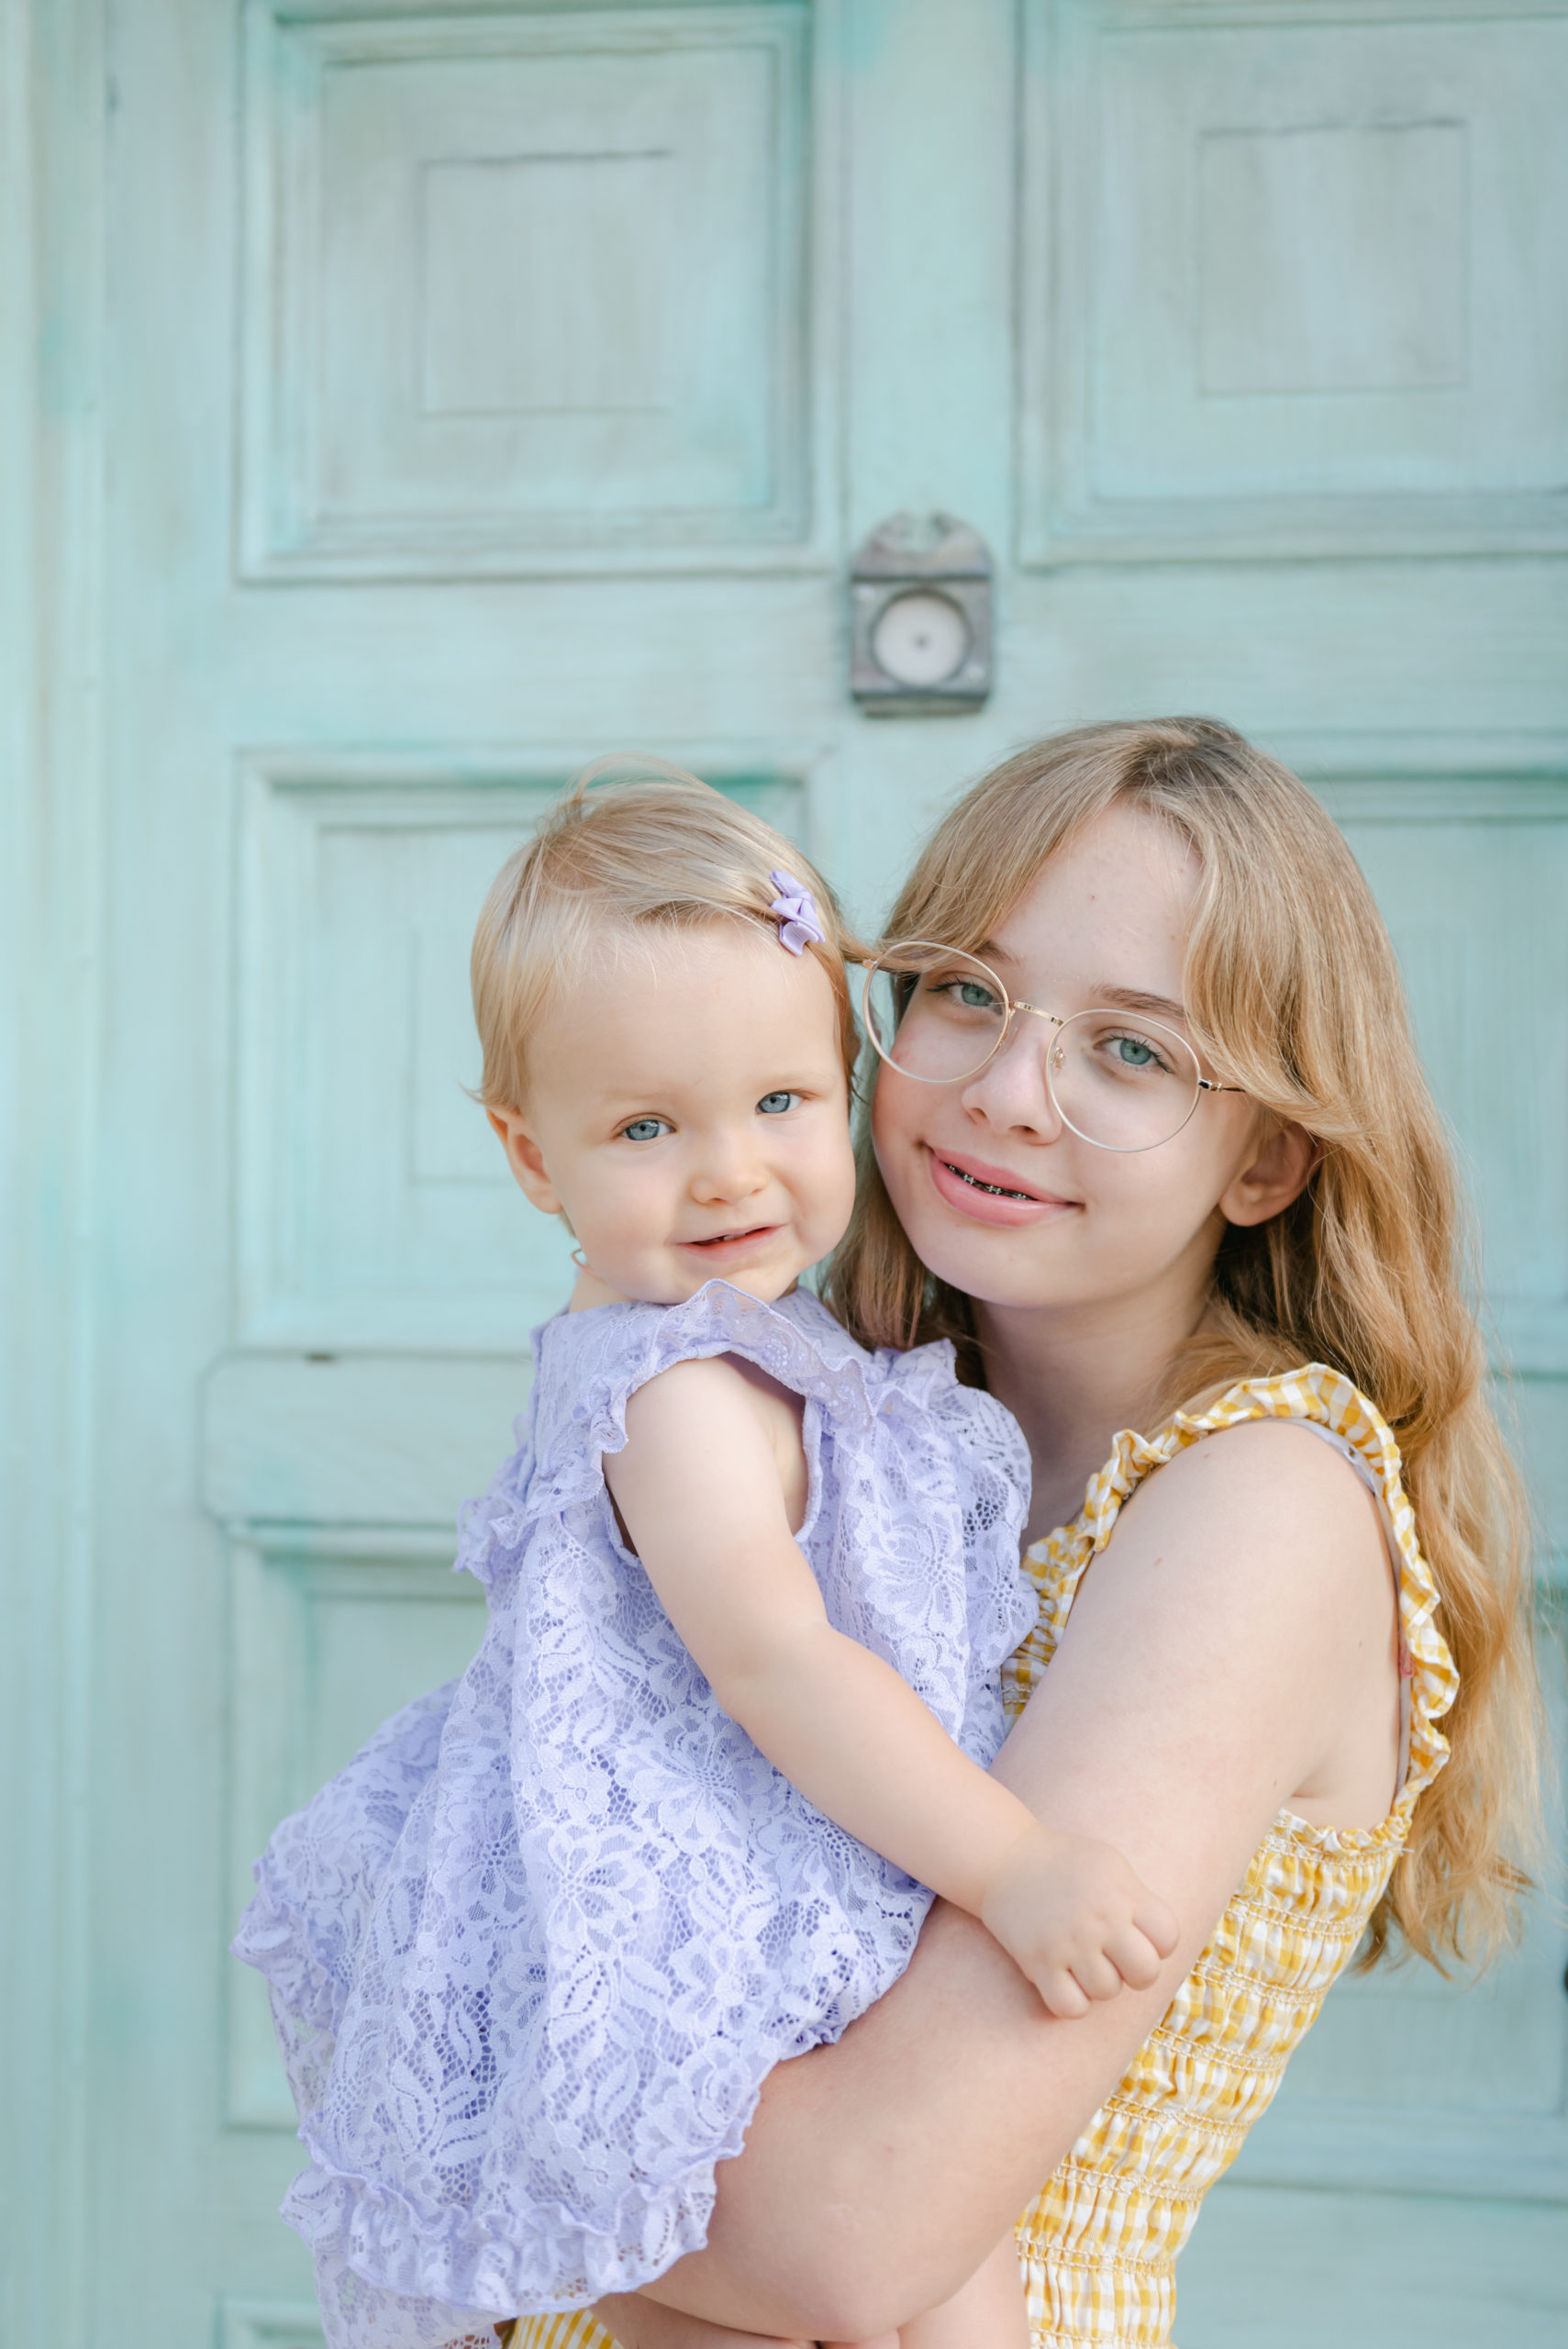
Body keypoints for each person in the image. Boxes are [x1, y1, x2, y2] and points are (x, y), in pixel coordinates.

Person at [508, 718, 1540, 2349]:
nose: (1004, 1093)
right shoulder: (837, 1425)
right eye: (966, 995)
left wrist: (434, 2091)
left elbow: (844, 2245)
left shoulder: (1258, 1500)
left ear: (1266, 1155)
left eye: (1130, 1050)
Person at [232, 771, 1179, 2349]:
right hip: (685, 1887)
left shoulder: (770, 1341)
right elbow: (774, 1657)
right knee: (757, 2279)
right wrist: (1014, 1864)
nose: (729, 1171)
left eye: (780, 1104)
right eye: (646, 1127)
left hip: (783, 1846)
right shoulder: (669, 1387)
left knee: (928, 2266)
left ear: (847, 1079)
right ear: (532, 1158)